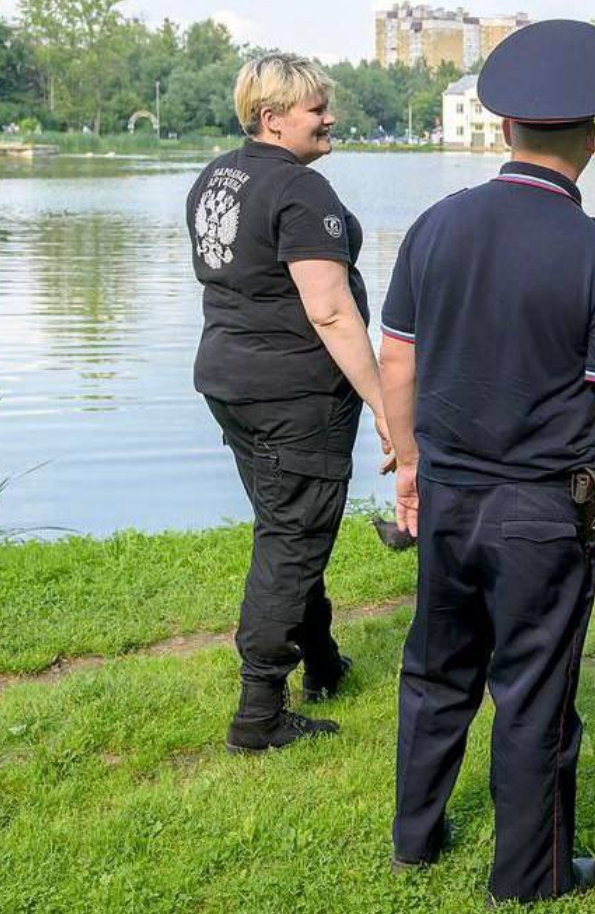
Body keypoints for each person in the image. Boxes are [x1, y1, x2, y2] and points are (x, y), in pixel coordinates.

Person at [379, 20, 595, 904]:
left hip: (449, 497)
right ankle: (530, 876)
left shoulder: (434, 226)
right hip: (541, 513)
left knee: (435, 675)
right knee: (533, 694)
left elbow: (399, 360)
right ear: (593, 138)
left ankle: (415, 842)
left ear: (504, 130)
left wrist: (407, 467)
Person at [186, 53, 393, 754]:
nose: (329, 117)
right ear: (272, 119)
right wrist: (386, 405)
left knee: (288, 524)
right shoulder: (301, 193)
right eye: (315, 109)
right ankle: (259, 711)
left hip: (231, 381)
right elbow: (331, 311)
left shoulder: (221, 174)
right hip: (293, 394)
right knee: (292, 537)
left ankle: (324, 663)